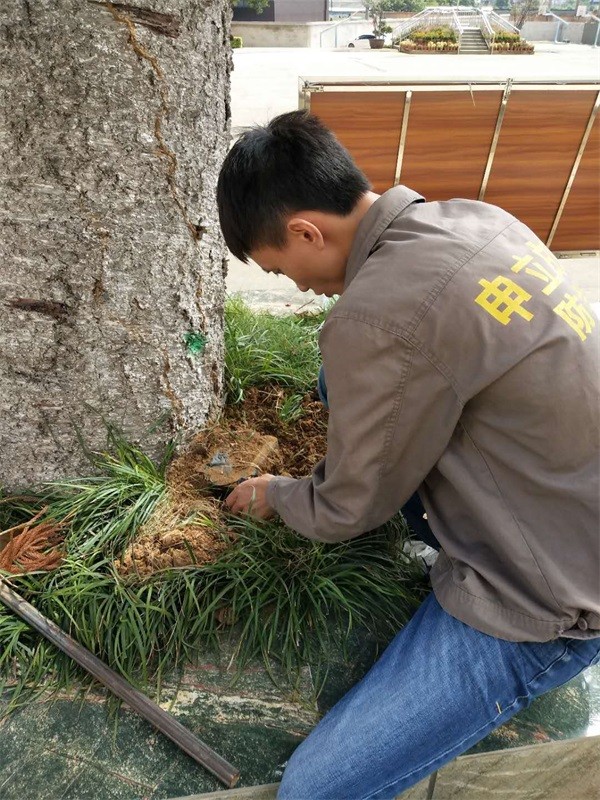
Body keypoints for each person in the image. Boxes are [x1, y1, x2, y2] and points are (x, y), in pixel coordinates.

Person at [217, 110, 600, 799]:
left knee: (316, 790)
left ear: (307, 230)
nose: (295, 286)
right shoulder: (473, 220)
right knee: (347, 375)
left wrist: (275, 494)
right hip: (573, 498)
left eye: (283, 268)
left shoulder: (375, 316)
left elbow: (347, 507)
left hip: (552, 591)